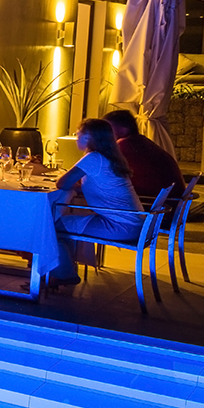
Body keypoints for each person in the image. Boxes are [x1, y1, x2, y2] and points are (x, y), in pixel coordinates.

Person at [48, 117, 145, 286]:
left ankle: (63, 274)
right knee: (63, 223)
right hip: (134, 223)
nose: (76, 138)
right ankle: (62, 271)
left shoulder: (94, 158)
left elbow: (62, 183)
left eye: (78, 134)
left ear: (88, 137)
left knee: (47, 227)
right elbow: (97, 187)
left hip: (120, 226)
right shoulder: (110, 157)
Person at [104, 109, 183, 204]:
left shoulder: (124, 145)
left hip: (152, 205)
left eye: (107, 128)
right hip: (169, 204)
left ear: (123, 129)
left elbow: (105, 174)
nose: (103, 132)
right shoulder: (143, 142)